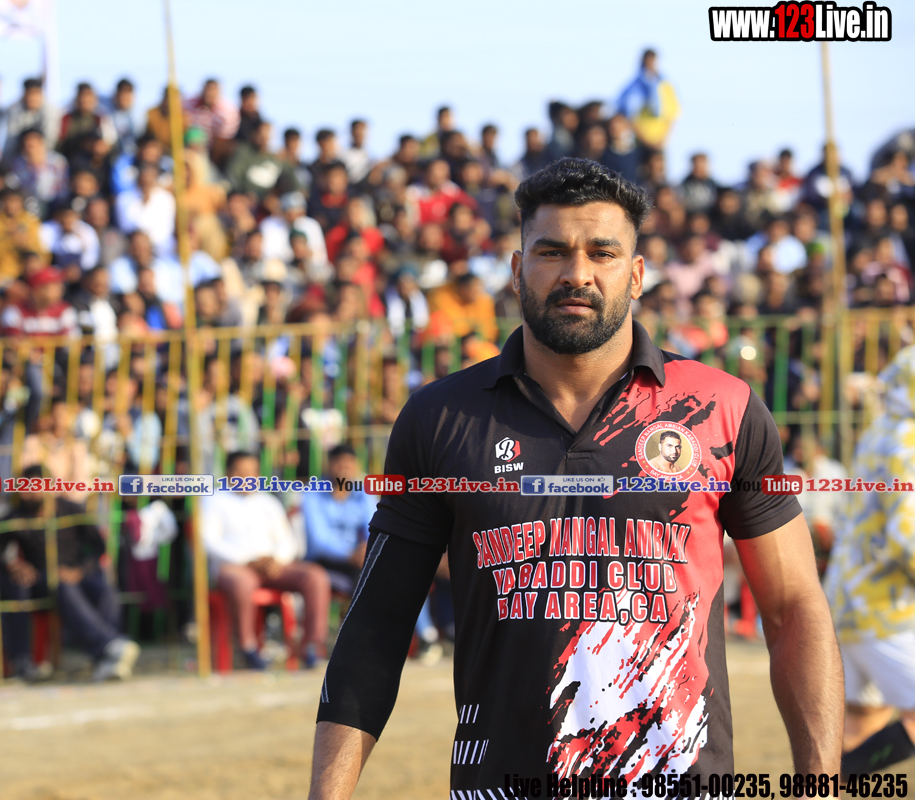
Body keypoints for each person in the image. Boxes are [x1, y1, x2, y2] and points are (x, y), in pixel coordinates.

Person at [310, 158, 841, 797]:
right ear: (517, 270)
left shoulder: (722, 408)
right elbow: (378, 623)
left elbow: (793, 608)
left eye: (602, 253)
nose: (577, 273)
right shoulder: (439, 418)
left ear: (636, 274)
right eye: (552, 251)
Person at [824, 345, 915, 775]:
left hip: (849, 596)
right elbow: (906, 535)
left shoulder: (881, 430)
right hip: (887, 608)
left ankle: (831, 783)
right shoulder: (908, 440)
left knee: (862, 721)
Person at [0, 465, 139, 682]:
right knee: (63, 587)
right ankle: (110, 646)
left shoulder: (71, 510)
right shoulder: (16, 517)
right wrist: (13, 564)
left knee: (105, 591)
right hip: (41, 579)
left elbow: (98, 546)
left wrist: (79, 571)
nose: (26, 494)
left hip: (77, 573)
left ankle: (107, 658)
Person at [202, 450, 330, 670]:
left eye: (252, 472)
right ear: (228, 473)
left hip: (273, 566)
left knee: (315, 577)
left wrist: (276, 560)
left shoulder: (268, 501)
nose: (247, 477)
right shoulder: (213, 500)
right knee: (242, 583)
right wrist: (247, 560)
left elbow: (288, 540)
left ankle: (312, 646)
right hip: (235, 567)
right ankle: (249, 648)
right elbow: (209, 541)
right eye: (241, 472)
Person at [301, 444, 377, 595]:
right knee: (366, 582)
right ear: (328, 465)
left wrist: (366, 550)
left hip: (357, 560)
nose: (344, 468)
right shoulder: (313, 493)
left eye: (349, 463)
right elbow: (319, 541)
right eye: (339, 463)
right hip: (324, 562)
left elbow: (374, 528)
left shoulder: (364, 492)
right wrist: (350, 554)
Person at [0, 77, 61, 161]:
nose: (32, 98)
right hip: (19, 154)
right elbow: (11, 139)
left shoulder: (51, 111)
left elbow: (50, 139)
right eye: (29, 94)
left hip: (44, 156)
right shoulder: (14, 110)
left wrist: (37, 154)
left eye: (35, 94)